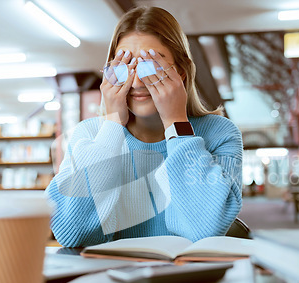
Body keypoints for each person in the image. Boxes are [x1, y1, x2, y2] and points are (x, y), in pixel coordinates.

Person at [46, 6, 243, 247]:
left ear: (180, 73)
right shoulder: (88, 134)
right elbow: (71, 233)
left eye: (152, 66)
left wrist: (176, 124)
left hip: (189, 279)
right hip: (108, 278)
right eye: (124, 67)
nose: (137, 82)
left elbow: (205, 230)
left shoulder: (220, 133)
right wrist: (111, 127)